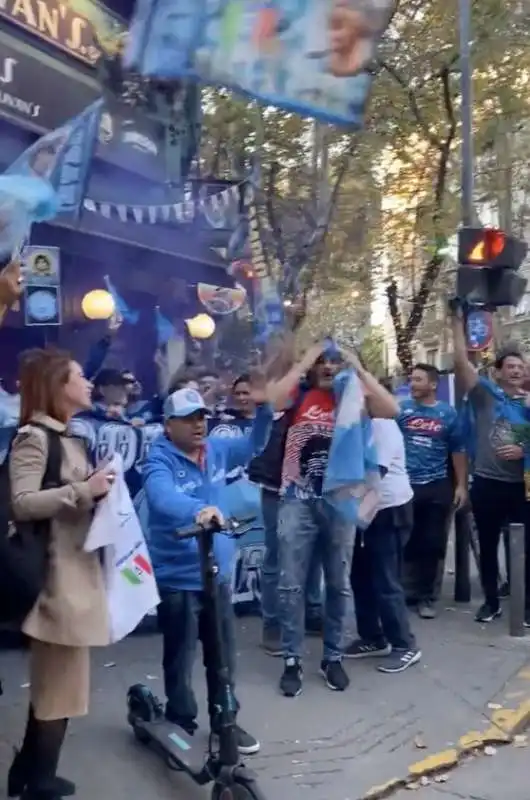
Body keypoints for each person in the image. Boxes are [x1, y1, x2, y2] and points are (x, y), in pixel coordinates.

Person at [142, 381, 273, 753]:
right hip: (179, 577)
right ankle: (180, 720)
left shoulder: (215, 449)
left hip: (216, 572)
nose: (198, 425)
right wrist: (196, 509)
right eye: (187, 419)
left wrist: (264, 411)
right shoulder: (159, 459)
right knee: (181, 656)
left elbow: (253, 446)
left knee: (223, 656)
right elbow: (161, 497)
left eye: (201, 417)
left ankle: (225, 723)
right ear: (169, 425)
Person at [8, 348, 114, 800]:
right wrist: (83, 489)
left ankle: (27, 775)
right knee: (61, 691)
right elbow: (23, 502)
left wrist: (100, 492)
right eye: (78, 376)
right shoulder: (34, 437)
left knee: (56, 687)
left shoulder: (72, 438)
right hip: (56, 580)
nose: (88, 383)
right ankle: (39, 783)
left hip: (76, 573)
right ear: (57, 386)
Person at [269, 341, 399, 697]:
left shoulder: (353, 399)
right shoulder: (299, 395)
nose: (328, 367)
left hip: (340, 504)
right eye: (323, 363)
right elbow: (272, 399)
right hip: (297, 501)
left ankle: (333, 657)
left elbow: (391, 408)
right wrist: (307, 357)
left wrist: (357, 366)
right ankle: (292, 659)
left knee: (339, 584)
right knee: (291, 584)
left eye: (334, 362)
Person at [452, 308, 530, 625]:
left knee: (526, 548)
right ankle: (491, 601)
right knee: (487, 544)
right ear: (498, 372)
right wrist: (457, 322)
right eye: (510, 366)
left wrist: (524, 447)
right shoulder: (486, 395)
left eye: (520, 367)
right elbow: (461, 364)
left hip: (523, 485)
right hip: (487, 482)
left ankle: (524, 604)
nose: (515, 371)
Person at [348, 415, 421, 673]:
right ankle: (372, 637)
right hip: (360, 511)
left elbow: (373, 474)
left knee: (386, 581)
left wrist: (335, 494)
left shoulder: (383, 426)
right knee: (360, 577)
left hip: (389, 509)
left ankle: (404, 644)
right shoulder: (352, 424)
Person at [397, 364, 467, 618]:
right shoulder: (401, 410)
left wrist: (460, 485)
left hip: (437, 485)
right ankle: (406, 592)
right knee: (407, 539)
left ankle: (427, 596)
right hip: (406, 484)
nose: (412, 383)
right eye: (411, 379)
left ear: (433, 384)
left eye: (418, 379)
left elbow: (458, 450)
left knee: (433, 542)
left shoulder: (447, 414)